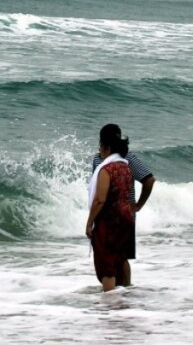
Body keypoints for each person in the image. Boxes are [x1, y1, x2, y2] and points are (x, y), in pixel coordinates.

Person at [90, 124, 156, 286]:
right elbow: (149, 180)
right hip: (123, 213)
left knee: (113, 257)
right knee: (121, 257)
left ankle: (118, 292)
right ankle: (124, 292)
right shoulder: (106, 158)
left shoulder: (127, 158)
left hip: (112, 215)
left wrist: (139, 204)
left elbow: (149, 180)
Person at [85, 124, 136, 291]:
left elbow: (100, 199)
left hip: (109, 220)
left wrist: (89, 222)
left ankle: (109, 306)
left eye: (100, 146)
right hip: (126, 218)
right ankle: (125, 295)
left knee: (106, 265)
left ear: (106, 148)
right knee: (120, 259)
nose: (99, 150)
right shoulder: (126, 167)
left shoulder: (106, 170)